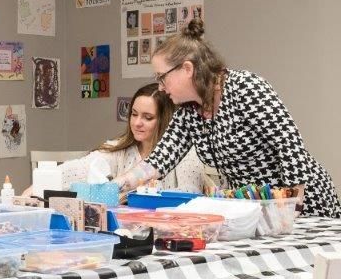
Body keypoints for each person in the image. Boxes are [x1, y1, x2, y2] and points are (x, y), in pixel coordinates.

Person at [115, 19, 341, 217]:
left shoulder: (246, 88)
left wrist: (292, 208)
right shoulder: (188, 112)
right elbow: (157, 161)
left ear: (186, 69)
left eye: (162, 77)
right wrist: (113, 188)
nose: (161, 87)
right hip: (257, 209)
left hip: (303, 204)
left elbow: (290, 147)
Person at [55, 83, 204, 192]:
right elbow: (79, 168)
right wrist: (39, 184)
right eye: (134, 114)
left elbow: (191, 191)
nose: (137, 123)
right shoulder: (120, 150)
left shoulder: (186, 154)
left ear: (165, 119)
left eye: (148, 117)